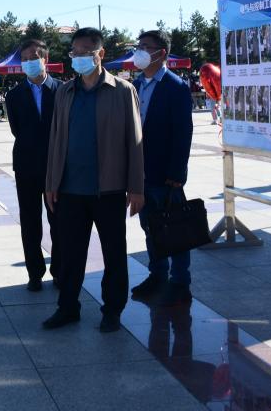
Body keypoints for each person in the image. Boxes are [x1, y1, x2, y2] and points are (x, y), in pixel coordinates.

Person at [43, 27, 144, 332]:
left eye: (85, 52)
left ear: (100, 54)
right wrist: (51, 183)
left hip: (109, 189)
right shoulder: (65, 92)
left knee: (114, 254)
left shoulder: (122, 91)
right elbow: (55, 139)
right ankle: (67, 307)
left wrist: (136, 187)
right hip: (70, 189)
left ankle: (112, 310)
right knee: (70, 254)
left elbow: (135, 141)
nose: (78, 58)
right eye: (74, 53)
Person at [129, 30, 195, 305]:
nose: (140, 51)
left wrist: (177, 173)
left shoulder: (175, 87)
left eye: (146, 47)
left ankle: (180, 282)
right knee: (151, 227)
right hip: (141, 172)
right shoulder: (135, 85)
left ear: (161, 53)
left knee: (175, 229)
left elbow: (183, 133)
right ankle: (157, 275)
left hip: (166, 174)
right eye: (139, 46)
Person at [5, 39, 62, 291]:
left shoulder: (63, 90)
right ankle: (34, 273)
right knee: (30, 222)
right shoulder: (14, 95)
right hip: (26, 166)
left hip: (56, 167)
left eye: (34, 57)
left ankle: (59, 271)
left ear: (45, 59)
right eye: (25, 58)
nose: (29, 62)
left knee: (59, 221)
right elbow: (17, 129)